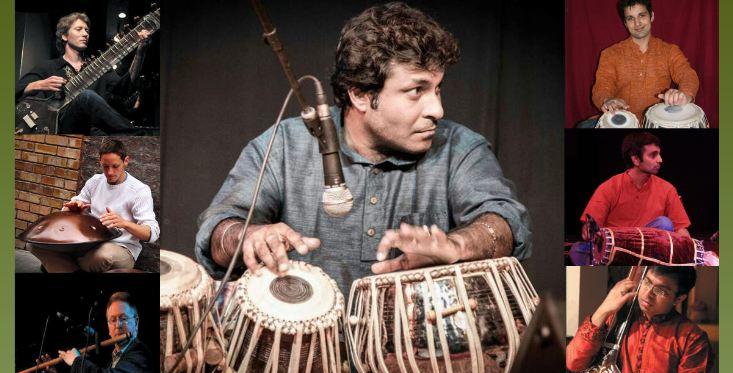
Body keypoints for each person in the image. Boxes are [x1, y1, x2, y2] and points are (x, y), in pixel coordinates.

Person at [195, 2, 532, 295]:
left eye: (438, 89)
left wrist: (457, 246)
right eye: (417, 90)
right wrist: (250, 236)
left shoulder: (459, 148)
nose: (437, 110)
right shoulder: (284, 146)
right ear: (358, 94)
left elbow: (504, 222)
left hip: (414, 363)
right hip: (301, 363)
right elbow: (218, 231)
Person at [566, 267, 712, 373]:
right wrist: (603, 310)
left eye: (660, 290)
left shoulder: (691, 337)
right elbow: (573, 362)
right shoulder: (618, 316)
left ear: (679, 299)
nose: (648, 294)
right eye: (647, 282)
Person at [31, 139, 159, 272]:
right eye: (105, 166)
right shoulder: (95, 181)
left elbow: (152, 234)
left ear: (126, 161)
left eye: (115, 166)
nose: (109, 172)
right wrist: (72, 208)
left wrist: (124, 223)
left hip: (121, 248)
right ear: (100, 162)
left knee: (102, 255)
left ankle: (61, 267)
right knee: (36, 245)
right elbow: (73, 204)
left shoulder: (139, 190)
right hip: (90, 243)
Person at [15, 12, 152, 134]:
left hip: (92, 132)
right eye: (79, 29)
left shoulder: (99, 68)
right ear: (64, 36)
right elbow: (16, 90)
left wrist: (140, 53)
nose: (85, 34)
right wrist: (39, 84)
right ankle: (138, 135)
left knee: (88, 100)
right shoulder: (48, 67)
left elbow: (124, 89)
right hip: (59, 128)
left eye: (87, 30)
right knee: (86, 96)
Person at [569, 132, 689, 265]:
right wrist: (589, 231)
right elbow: (591, 227)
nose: (660, 159)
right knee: (577, 250)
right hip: (615, 248)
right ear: (636, 160)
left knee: (664, 224)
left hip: (648, 250)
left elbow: (681, 229)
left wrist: (690, 251)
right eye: (653, 155)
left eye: (659, 154)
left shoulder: (667, 188)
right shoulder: (610, 187)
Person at [577, 0, 699, 128]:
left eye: (642, 15)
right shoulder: (610, 54)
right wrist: (607, 100)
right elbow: (602, 86)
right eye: (630, 18)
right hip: (620, 121)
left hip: (657, 123)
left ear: (651, 16)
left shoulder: (669, 51)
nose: (637, 23)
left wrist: (684, 94)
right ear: (625, 23)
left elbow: (688, 75)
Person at [41, 292, 154, 373]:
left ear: (136, 323)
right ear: (108, 328)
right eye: (113, 320)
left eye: (123, 318)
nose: (118, 325)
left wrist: (77, 361)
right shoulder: (113, 360)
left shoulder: (141, 354)